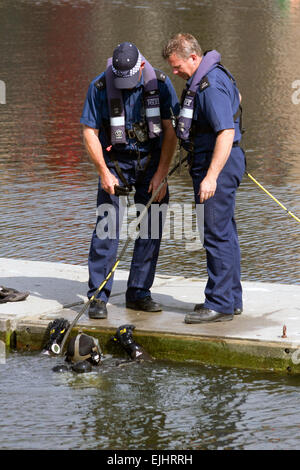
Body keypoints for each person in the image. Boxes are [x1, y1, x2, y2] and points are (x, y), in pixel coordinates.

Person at [80, 42, 179, 319]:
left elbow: (170, 131)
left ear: (142, 68)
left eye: (130, 80)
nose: (124, 85)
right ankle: (98, 295)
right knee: (107, 225)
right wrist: (103, 171)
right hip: (116, 162)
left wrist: (162, 173)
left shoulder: (159, 83)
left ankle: (138, 292)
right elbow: (89, 131)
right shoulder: (99, 87)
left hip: (151, 161)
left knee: (151, 225)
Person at [162, 33, 245, 324]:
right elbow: (236, 102)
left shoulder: (209, 86)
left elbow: (225, 132)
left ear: (194, 58)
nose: (174, 72)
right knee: (225, 231)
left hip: (217, 167)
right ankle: (230, 298)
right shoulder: (214, 77)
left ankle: (220, 303)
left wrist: (211, 176)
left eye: (177, 66)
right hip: (222, 162)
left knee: (215, 234)